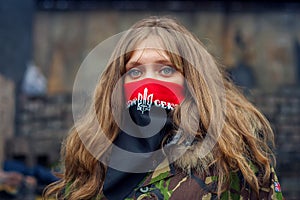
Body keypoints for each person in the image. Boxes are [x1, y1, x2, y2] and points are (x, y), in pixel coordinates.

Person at [43, 16, 283, 199]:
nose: (149, 82)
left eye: (166, 69)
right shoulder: (91, 156)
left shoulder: (233, 156)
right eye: (135, 71)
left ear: (191, 81)